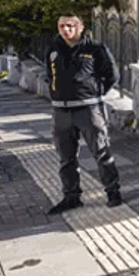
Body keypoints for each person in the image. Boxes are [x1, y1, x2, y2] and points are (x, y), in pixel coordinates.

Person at [45, 15, 123, 213]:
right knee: (66, 158)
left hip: (88, 110)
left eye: (70, 26)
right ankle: (71, 197)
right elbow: (50, 75)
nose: (65, 30)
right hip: (61, 111)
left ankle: (113, 192)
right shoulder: (53, 49)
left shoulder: (95, 49)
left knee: (101, 152)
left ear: (80, 27)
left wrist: (94, 94)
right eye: (61, 26)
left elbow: (112, 76)